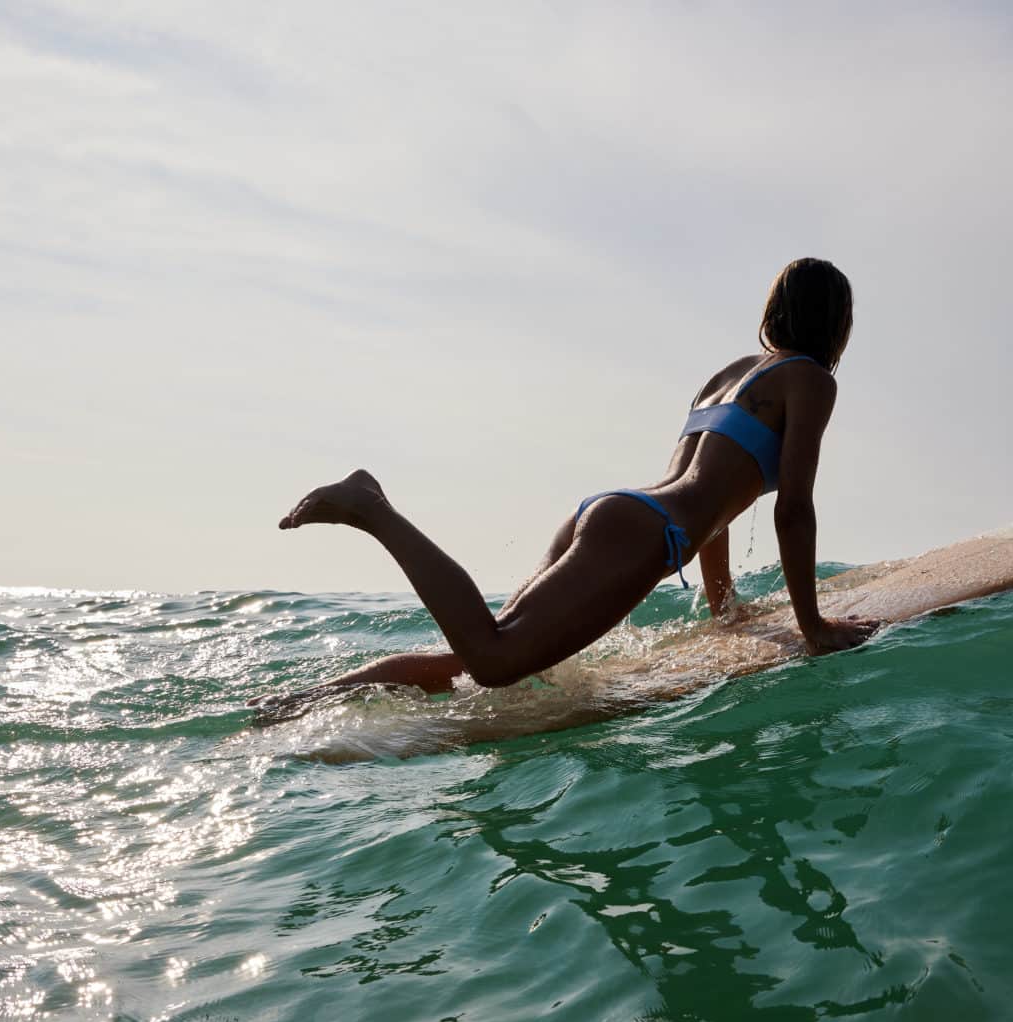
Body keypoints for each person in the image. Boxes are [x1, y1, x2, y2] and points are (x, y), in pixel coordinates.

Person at [269, 257, 877, 704]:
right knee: (493, 659)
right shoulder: (810, 380)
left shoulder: (733, 373)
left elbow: (710, 497)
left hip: (619, 510)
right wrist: (812, 626)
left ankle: (297, 703)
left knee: (473, 656)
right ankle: (374, 510)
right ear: (835, 323)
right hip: (645, 535)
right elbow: (793, 508)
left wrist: (724, 607)